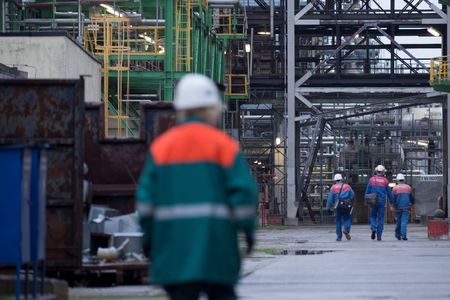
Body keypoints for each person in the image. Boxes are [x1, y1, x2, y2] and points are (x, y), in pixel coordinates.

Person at [136, 74, 258, 300]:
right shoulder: (224, 147)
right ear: (213, 109)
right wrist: (248, 232)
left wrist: (148, 240)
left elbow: (145, 202)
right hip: (217, 247)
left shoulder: (162, 148)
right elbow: (243, 194)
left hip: (174, 251)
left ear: (180, 110)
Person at [365, 165, 394, 241]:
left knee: (373, 216)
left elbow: (367, 191)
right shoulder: (385, 181)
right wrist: (392, 203)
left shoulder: (371, 180)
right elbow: (389, 193)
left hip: (373, 201)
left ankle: (373, 227)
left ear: (376, 171)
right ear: (383, 172)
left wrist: (366, 200)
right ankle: (379, 236)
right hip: (381, 202)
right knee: (381, 218)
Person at [326, 174, 355, 241]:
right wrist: (349, 200)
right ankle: (346, 230)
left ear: (335, 180)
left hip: (337, 206)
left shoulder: (333, 187)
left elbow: (330, 198)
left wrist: (328, 207)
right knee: (347, 218)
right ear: (342, 179)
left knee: (338, 221)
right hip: (346, 205)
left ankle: (339, 237)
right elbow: (352, 195)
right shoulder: (347, 186)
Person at [392, 173, 414, 241]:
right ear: (404, 179)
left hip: (397, 207)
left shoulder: (395, 188)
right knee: (404, 221)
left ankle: (398, 235)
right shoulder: (408, 187)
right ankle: (403, 235)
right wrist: (412, 204)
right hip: (406, 207)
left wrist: (392, 206)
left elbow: (393, 198)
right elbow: (412, 198)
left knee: (398, 221)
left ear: (397, 180)